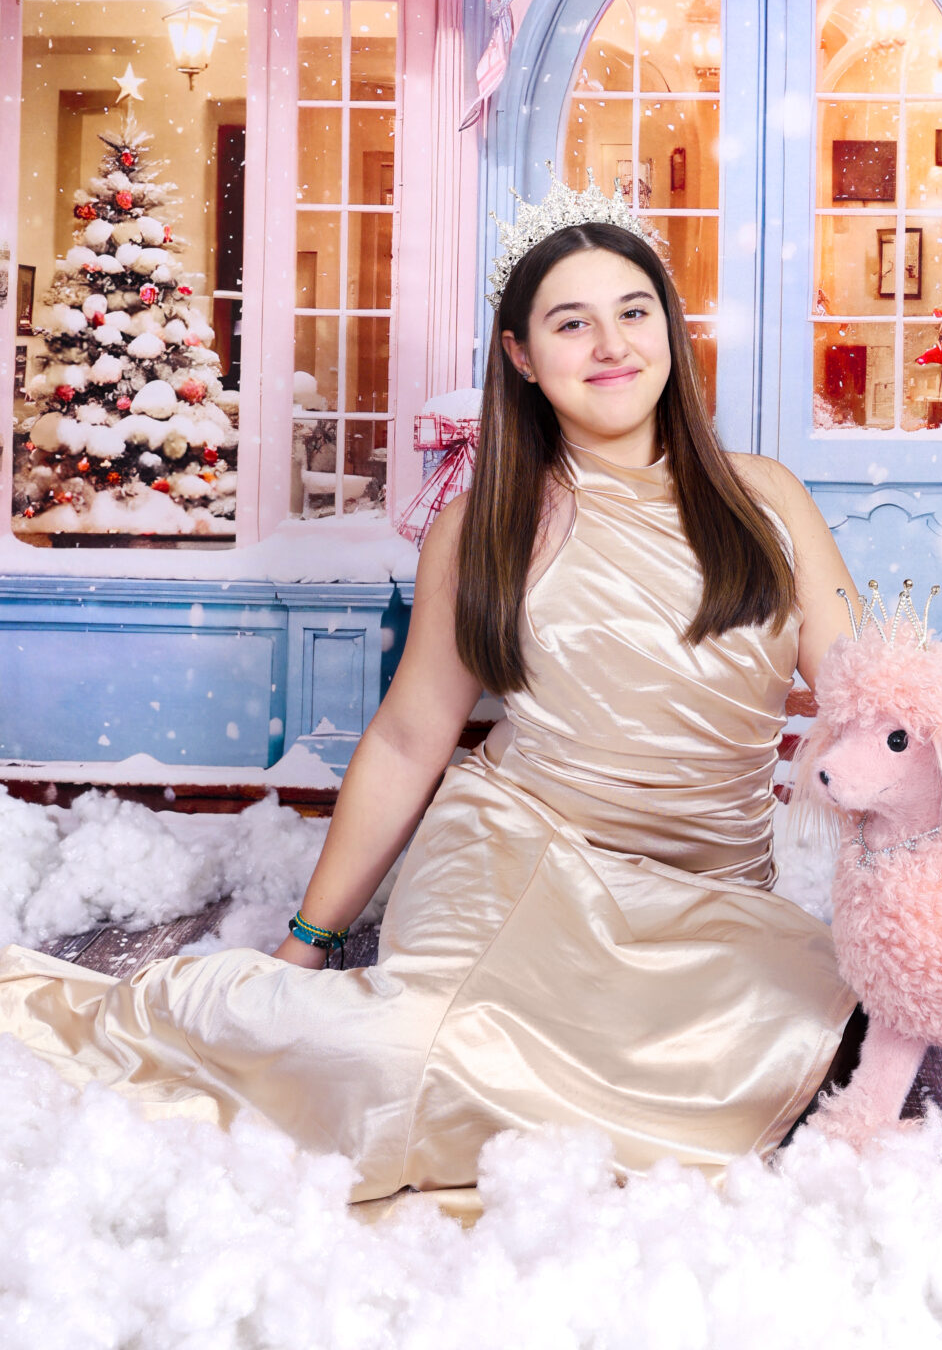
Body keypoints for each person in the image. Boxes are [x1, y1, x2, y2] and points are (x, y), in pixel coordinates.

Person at [0, 180, 859, 1210]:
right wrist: (306, 942)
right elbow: (410, 740)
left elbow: (868, 699)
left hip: (709, 894)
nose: (610, 344)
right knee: (404, 1063)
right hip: (517, 854)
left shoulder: (764, 499)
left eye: (633, 312)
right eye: (569, 322)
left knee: (799, 1054)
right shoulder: (486, 524)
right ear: (519, 357)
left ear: (668, 332)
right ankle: (221, 1013)